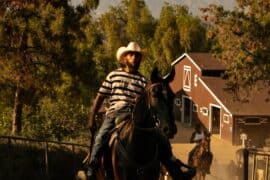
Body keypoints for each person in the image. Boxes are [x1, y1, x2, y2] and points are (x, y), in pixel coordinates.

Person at [87, 41, 193, 180]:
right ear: (125, 58)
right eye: (131, 55)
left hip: (135, 114)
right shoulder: (113, 75)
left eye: (137, 55)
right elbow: (100, 97)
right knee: (101, 136)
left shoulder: (143, 80)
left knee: (161, 137)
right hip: (115, 113)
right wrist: (91, 117)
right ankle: (92, 165)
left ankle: (175, 169)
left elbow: (149, 100)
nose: (135, 58)